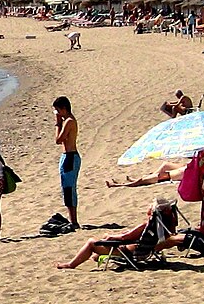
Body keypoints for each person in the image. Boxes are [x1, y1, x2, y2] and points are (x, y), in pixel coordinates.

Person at [56, 195, 179, 269]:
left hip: (130, 251)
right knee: (104, 239)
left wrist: (112, 236)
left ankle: (71, 264)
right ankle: (94, 256)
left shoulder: (146, 226)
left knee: (91, 243)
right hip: (144, 249)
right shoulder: (165, 225)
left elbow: (125, 237)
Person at [52, 96, 80, 231]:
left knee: (69, 189)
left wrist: (57, 123)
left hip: (70, 157)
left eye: (58, 110)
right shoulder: (68, 121)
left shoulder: (69, 121)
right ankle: (72, 219)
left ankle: (74, 220)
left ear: (63, 109)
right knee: (66, 189)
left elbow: (58, 139)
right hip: (67, 156)